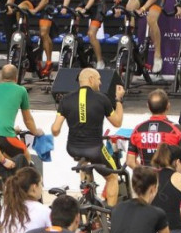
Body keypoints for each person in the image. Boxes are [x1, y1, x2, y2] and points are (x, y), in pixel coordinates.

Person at [51, 68, 126, 207]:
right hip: (95, 149)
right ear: (91, 79)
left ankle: (87, 188)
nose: (100, 83)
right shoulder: (101, 98)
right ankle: (109, 215)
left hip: (73, 149)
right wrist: (118, 99)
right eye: (99, 79)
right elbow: (117, 122)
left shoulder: (65, 99)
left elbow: (55, 129)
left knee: (86, 163)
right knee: (112, 177)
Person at [6, 0, 54, 76]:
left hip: (45, 7)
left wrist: (36, 10)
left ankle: (48, 62)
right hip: (31, 4)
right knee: (20, 6)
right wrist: (9, 7)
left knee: (44, 34)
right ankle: (22, 32)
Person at [0, 64, 44, 160]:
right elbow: (28, 120)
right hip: (5, 137)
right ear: (16, 78)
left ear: (1, 77)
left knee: (6, 160)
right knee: (25, 158)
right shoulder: (21, 90)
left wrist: (13, 131)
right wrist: (36, 132)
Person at [127, 89, 181, 169]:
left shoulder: (137, 129)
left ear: (148, 106)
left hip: (146, 179)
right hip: (169, 178)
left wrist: (144, 173)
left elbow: (130, 161)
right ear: (168, 106)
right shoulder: (176, 129)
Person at [61, 0, 105, 69]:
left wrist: (85, 9)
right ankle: (75, 38)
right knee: (75, 12)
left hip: (97, 6)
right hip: (85, 3)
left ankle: (100, 61)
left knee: (91, 34)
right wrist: (64, 7)